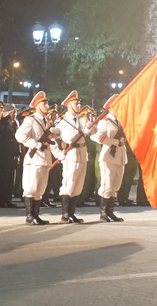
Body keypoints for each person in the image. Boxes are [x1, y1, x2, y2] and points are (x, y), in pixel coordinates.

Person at [15, 91, 60, 225]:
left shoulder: (47, 121)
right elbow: (20, 135)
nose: (47, 106)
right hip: (34, 158)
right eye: (44, 104)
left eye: (47, 103)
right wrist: (35, 144)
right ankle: (30, 216)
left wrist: (53, 130)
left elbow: (55, 135)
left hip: (45, 157)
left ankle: (36, 215)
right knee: (31, 187)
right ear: (37, 106)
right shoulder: (31, 120)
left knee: (40, 188)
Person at [54, 90, 94, 223]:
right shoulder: (62, 122)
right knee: (69, 184)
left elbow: (90, 132)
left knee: (78, 185)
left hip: (82, 154)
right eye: (77, 103)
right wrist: (59, 151)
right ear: (69, 104)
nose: (79, 105)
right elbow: (52, 137)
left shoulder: (80, 120)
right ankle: (65, 214)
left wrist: (90, 124)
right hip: (70, 155)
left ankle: (72, 213)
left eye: (79, 103)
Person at [90, 94, 126, 222]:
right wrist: (115, 142)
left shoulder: (121, 121)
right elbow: (96, 137)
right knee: (107, 185)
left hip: (120, 156)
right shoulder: (104, 122)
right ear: (110, 108)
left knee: (115, 185)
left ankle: (111, 212)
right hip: (108, 157)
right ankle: (104, 213)